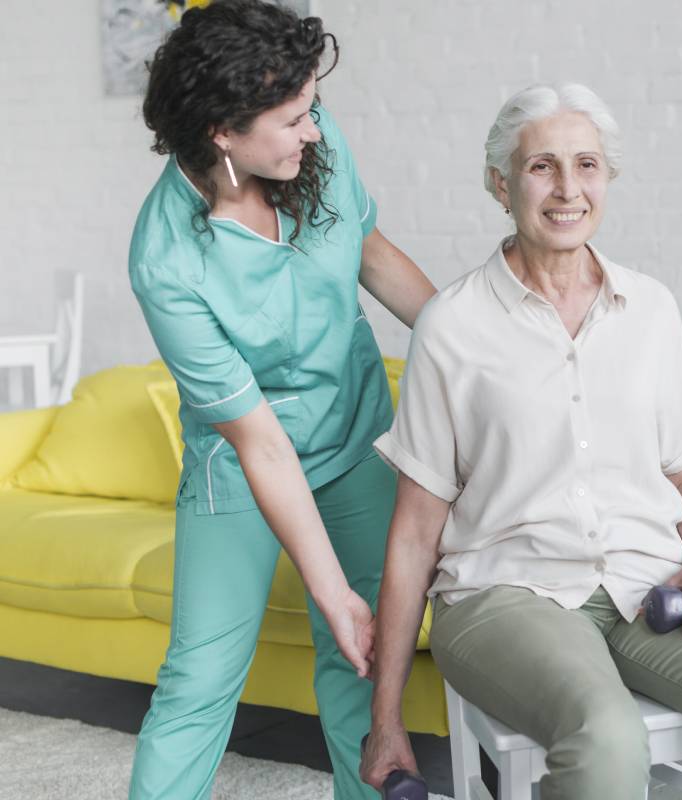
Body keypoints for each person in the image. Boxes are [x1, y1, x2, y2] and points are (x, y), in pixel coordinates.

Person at [361, 83, 682, 799]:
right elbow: (414, 534)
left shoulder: (652, 310)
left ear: (606, 178)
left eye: (586, 165)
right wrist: (385, 718)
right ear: (501, 185)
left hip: (648, 585)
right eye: (541, 166)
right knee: (606, 735)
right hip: (504, 595)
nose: (567, 188)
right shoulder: (452, 326)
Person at [127, 2, 435, 798]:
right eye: (293, 118)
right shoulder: (167, 261)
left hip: (356, 437)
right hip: (243, 466)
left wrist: (473, 349)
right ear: (223, 133)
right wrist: (330, 593)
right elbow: (260, 442)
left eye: (312, 108)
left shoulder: (309, 148)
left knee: (364, 660)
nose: (314, 130)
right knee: (199, 679)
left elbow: (370, 251)